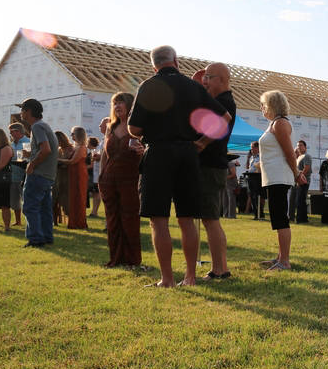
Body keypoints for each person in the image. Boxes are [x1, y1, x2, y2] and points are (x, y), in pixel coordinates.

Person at [127, 45, 231, 287]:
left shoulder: (148, 85)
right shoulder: (194, 86)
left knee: (158, 219)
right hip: (188, 154)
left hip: (158, 153)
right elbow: (224, 118)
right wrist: (202, 142)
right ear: (175, 60)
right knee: (187, 218)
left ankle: (167, 279)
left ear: (154, 65)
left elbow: (134, 129)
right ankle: (190, 277)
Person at [196, 62, 237, 280]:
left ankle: (219, 269)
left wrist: (201, 143)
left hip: (211, 166)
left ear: (221, 79)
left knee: (211, 220)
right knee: (209, 219)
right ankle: (220, 268)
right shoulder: (221, 100)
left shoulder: (223, 102)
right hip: (212, 166)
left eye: (208, 78)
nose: (205, 82)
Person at [258, 90, 307, 270]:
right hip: (274, 177)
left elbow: (289, 153)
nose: (262, 108)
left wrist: (296, 173)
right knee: (277, 218)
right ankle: (280, 257)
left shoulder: (280, 123)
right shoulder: (275, 123)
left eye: (263, 105)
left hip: (279, 177)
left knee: (280, 219)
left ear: (272, 105)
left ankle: (284, 261)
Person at [99, 92, 143, 268]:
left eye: (120, 102)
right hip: (108, 180)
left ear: (130, 105)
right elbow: (105, 154)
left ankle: (132, 259)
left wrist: (142, 151)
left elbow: (145, 151)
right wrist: (101, 175)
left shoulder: (138, 128)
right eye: (114, 103)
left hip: (130, 179)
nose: (117, 106)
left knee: (129, 219)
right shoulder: (110, 127)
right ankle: (116, 258)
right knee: (112, 219)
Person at [18, 98, 58, 248]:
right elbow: (46, 149)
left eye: (22, 110)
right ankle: (46, 237)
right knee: (44, 208)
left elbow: (46, 150)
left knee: (30, 207)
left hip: (38, 174)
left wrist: (32, 164)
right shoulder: (44, 125)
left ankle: (35, 239)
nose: (20, 113)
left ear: (28, 111)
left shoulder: (37, 127)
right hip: (48, 175)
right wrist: (31, 155)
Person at [64, 127, 88, 230]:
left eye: (73, 134)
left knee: (79, 197)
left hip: (79, 174)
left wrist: (58, 160)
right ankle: (74, 221)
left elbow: (72, 161)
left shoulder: (81, 147)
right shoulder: (76, 146)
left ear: (78, 135)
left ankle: (79, 222)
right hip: (73, 174)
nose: (71, 136)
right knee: (73, 197)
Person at [8, 123, 28, 227]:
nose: (11, 134)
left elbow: (25, 160)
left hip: (24, 177)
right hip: (12, 176)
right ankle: (18, 221)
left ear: (18, 131)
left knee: (26, 200)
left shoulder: (27, 142)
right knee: (14, 201)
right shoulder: (11, 144)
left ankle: (29, 222)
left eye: (12, 131)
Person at [53, 131, 73, 226]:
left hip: (66, 177)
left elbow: (70, 161)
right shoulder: (58, 149)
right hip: (57, 176)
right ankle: (54, 221)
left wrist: (58, 161)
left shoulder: (70, 149)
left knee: (66, 201)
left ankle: (72, 221)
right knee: (54, 200)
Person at [290, 140, 312, 223]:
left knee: (300, 200)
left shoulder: (307, 156)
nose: (299, 147)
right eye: (298, 145)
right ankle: (302, 218)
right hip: (297, 181)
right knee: (299, 200)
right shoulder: (299, 157)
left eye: (301, 145)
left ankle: (301, 219)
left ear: (305, 147)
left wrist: (300, 178)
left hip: (303, 182)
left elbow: (306, 168)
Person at [245, 142, 262, 219]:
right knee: (251, 196)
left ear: (257, 148)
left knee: (257, 196)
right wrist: (248, 158)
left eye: (252, 148)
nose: (251, 150)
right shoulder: (252, 157)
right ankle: (255, 214)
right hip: (250, 177)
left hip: (257, 178)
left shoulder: (261, 157)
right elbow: (247, 167)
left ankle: (260, 213)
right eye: (251, 148)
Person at [88, 136, 102, 218]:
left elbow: (92, 164)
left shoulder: (97, 150)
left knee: (96, 193)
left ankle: (95, 212)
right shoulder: (93, 150)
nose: (87, 144)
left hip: (97, 175)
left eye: (88, 142)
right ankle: (94, 211)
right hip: (95, 175)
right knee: (95, 194)